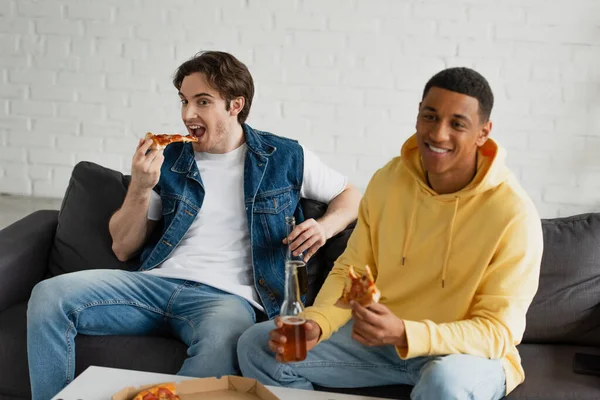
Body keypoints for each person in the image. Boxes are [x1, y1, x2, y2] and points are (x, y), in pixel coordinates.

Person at [26, 51, 361, 400]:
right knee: (49, 295)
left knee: (222, 344)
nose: (188, 115)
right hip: (153, 285)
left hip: (227, 300)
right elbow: (123, 247)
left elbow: (350, 194)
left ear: (235, 105)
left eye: (202, 101)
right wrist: (140, 187)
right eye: (184, 101)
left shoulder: (285, 156)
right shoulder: (170, 159)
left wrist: (325, 226)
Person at [238, 67, 544, 400]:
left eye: (457, 124)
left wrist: (407, 333)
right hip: (381, 342)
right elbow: (352, 271)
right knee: (258, 345)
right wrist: (319, 322)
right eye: (430, 116)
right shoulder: (389, 181)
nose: (439, 134)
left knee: (445, 383)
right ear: (417, 116)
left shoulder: (512, 214)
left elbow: (497, 331)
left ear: (483, 132)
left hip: (465, 355)